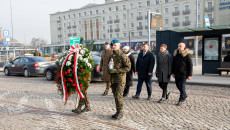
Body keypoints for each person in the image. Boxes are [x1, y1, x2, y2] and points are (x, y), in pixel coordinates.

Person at [108, 39, 131, 120]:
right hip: (113, 79)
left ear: (119, 45)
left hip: (120, 79)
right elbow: (110, 65)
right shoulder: (112, 55)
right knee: (115, 96)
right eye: (113, 45)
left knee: (118, 95)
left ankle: (120, 112)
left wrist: (116, 71)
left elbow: (128, 67)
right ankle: (117, 111)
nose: (113, 46)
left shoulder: (123, 55)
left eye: (115, 45)